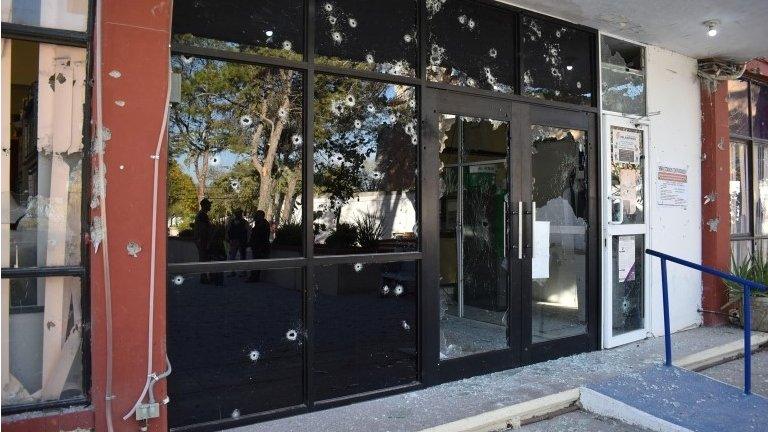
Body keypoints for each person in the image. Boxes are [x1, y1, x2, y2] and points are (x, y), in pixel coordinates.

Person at [247, 210, 271, 282]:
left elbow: (260, 236)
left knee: (256, 261)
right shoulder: (259, 223)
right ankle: (254, 277)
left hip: (260, 246)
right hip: (257, 246)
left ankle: (254, 277)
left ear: (260, 216)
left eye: (257, 215)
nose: (255, 216)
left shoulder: (263, 223)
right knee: (256, 261)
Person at [193, 198, 213, 283]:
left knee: (204, 258)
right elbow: (203, 230)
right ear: (204, 205)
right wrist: (207, 241)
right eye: (209, 204)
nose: (210, 206)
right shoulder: (202, 215)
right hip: (202, 240)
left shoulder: (201, 215)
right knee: (204, 258)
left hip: (201, 239)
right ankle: (203, 277)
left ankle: (204, 276)